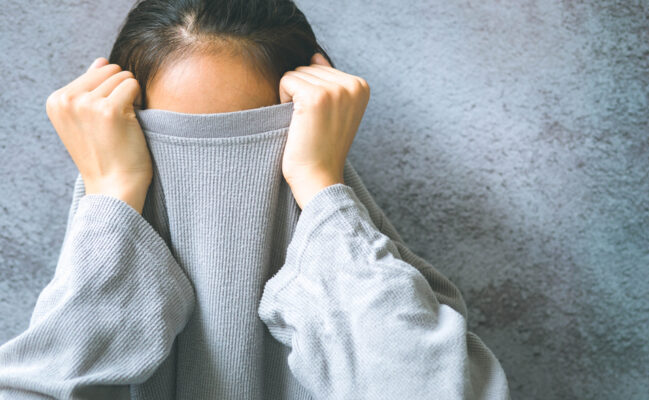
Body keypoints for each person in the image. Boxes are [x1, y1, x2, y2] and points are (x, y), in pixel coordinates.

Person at [0, 0, 511, 399]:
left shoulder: (380, 290)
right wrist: (114, 199)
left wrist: (318, 184)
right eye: (172, 152)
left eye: (252, 148)